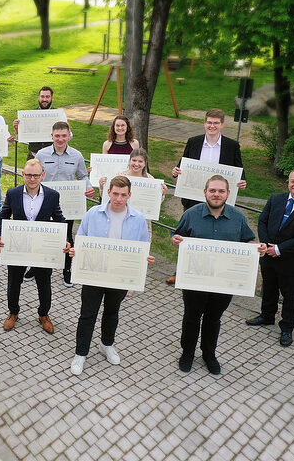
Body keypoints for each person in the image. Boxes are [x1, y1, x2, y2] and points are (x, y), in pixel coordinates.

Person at [172, 175, 261, 375]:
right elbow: (176, 235)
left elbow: (248, 240)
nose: (216, 194)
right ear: (205, 192)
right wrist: (176, 240)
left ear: (228, 194)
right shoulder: (191, 214)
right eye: (212, 190)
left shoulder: (238, 217)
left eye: (221, 191)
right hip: (195, 278)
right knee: (192, 317)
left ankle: (208, 354)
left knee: (214, 318)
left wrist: (256, 249)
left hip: (223, 281)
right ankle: (187, 353)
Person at [69, 176, 154, 376]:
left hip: (119, 276)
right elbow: (81, 239)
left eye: (123, 195)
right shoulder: (93, 214)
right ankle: (81, 353)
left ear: (129, 195)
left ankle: (107, 344)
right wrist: (76, 251)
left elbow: (142, 247)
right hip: (94, 274)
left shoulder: (138, 219)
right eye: (115, 193)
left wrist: (145, 259)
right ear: (108, 192)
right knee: (87, 314)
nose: (118, 198)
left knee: (112, 312)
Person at [167, 108, 247, 285]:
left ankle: (212, 273)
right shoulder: (193, 142)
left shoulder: (231, 146)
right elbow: (182, 165)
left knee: (215, 235)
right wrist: (175, 171)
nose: (212, 126)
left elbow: (239, 171)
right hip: (193, 198)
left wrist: (242, 181)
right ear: (204, 123)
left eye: (216, 123)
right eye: (209, 122)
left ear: (222, 125)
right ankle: (181, 272)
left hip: (218, 200)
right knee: (188, 236)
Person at [246, 169, 294, 347]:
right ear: (288, 182)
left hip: (292, 261)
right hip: (269, 255)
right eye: (292, 181)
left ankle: (287, 328)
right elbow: (263, 221)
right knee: (269, 287)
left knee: (290, 295)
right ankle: (266, 316)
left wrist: (280, 249)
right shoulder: (276, 199)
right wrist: (267, 245)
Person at [0, 159, 69, 334]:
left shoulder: (52, 195)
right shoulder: (13, 193)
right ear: (23, 174)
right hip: (18, 247)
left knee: (44, 283)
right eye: (28, 175)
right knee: (14, 282)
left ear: (42, 175)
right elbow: (4, 216)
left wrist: (66, 240)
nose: (32, 179)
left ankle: (44, 314)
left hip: (41, 249)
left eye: (36, 175)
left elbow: (59, 219)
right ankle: (13, 312)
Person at [35, 121, 95, 287]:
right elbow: (34, 174)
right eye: (57, 136)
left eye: (63, 136)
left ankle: (67, 269)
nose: (60, 139)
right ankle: (37, 267)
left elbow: (83, 176)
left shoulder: (77, 156)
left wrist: (88, 187)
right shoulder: (41, 154)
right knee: (42, 235)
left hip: (68, 205)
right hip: (44, 202)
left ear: (69, 136)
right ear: (52, 136)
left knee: (67, 236)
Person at [99, 148, 167, 241]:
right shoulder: (119, 176)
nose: (136, 164)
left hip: (141, 222)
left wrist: (161, 194)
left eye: (140, 161)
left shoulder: (151, 180)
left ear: (145, 163)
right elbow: (106, 197)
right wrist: (102, 186)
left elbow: (154, 205)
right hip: (118, 219)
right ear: (129, 160)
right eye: (134, 160)